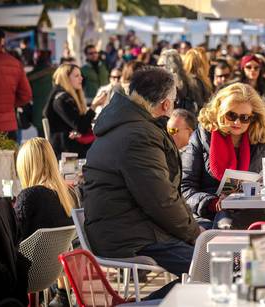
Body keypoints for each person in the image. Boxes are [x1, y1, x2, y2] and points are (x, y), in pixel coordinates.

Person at [83, 66, 201, 299]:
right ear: (166, 104)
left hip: (125, 228)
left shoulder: (124, 123)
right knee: (213, 268)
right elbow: (160, 200)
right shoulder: (138, 135)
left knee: (216, 262)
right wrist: (195, 232)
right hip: (130, 235)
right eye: (174, 101)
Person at [181, 82, 265, 229]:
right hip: (209, 214)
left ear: (253, 118)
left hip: (253, 210)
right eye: (231, 115)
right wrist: (212, 203)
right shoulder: (202, 136)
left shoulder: (262, 140)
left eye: (244, 118)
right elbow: (185, 187)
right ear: (220, 112)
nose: (237, 122)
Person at [14, 137, 78, 307]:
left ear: (26, 166)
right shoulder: (67, 195)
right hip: (52, 273)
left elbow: (14, 240)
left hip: (26, 276)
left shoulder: (29, 197)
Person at [44, 64, 102, 159]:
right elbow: (80, 126)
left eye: (80, 75)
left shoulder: (68, 97)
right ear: (66, 79)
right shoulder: (61, 99)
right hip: (65, 151)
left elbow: (81, 126)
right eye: (76, 76)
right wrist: (93, 106)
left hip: (73, 146)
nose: (81, 78)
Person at [236, 54, 265, 137]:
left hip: (263, 131)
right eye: (248, 67)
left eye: (256, 67)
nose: (253, 70)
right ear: (243, 69)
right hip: (240, 128)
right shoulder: (234, 88)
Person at [158, 49, 203, 114]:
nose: (158, 68)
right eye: (158, 65)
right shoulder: (161, 83)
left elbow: (198, 105)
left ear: (172, 66)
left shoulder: (192, 82)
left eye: (162, 65)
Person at [28, 50, 55, 137]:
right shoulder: (54, 72)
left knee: (41, 136)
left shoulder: (29, 76)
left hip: (37, 111)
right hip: (53, 110)